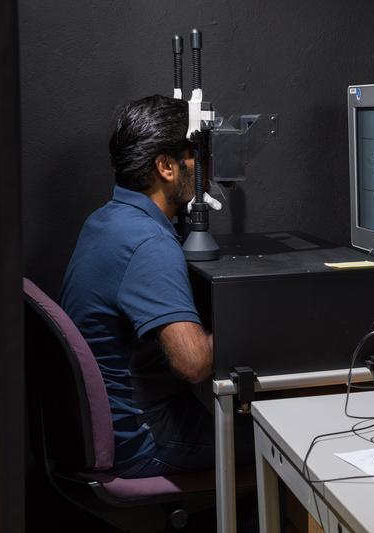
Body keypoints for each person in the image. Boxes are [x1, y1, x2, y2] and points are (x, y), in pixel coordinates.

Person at [61, 94, 247, 478]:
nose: (205, 170)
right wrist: (262, 325)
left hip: (103, 428)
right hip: (144, 439)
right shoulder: (149, 244)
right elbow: (193, 363)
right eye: (197, 158)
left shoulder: (105, 221)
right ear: (166, 166)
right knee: (286, 440)